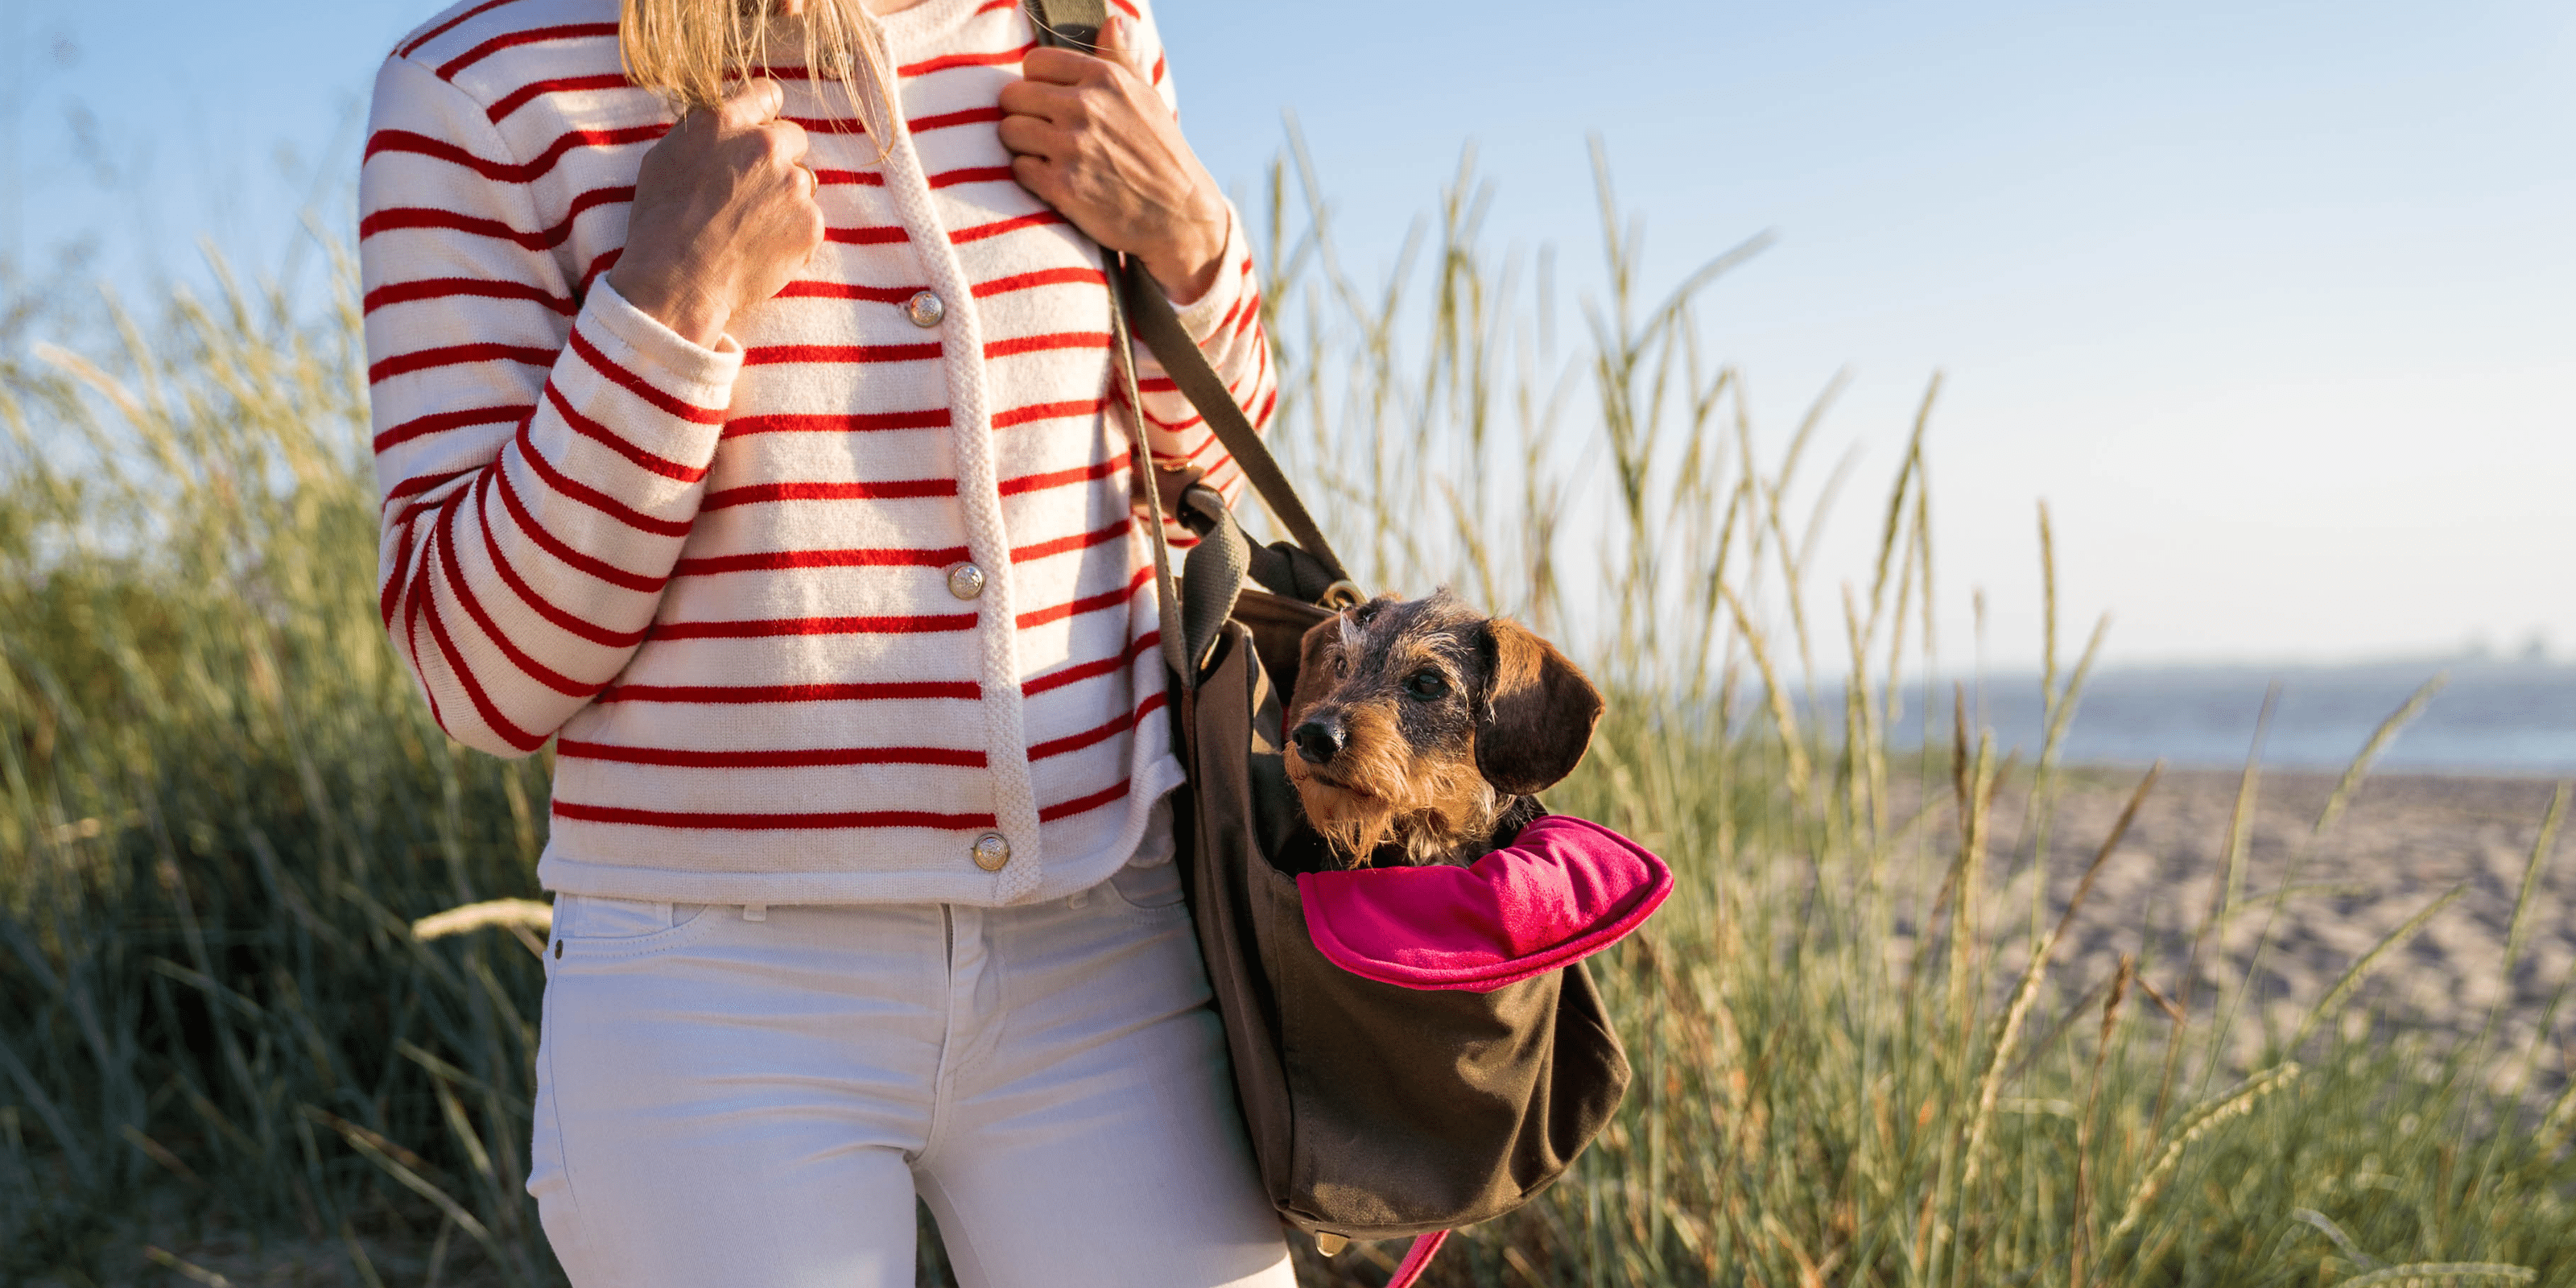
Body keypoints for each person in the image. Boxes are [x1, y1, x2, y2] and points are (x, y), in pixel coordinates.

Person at [357, 0, 1290, 1281]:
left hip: (1114, 936)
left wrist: (1192, 243)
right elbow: (478, 672)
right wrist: (664, 311)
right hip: (715, 999)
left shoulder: (1075, 23)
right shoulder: (481, 86)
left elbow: (1202, 486)